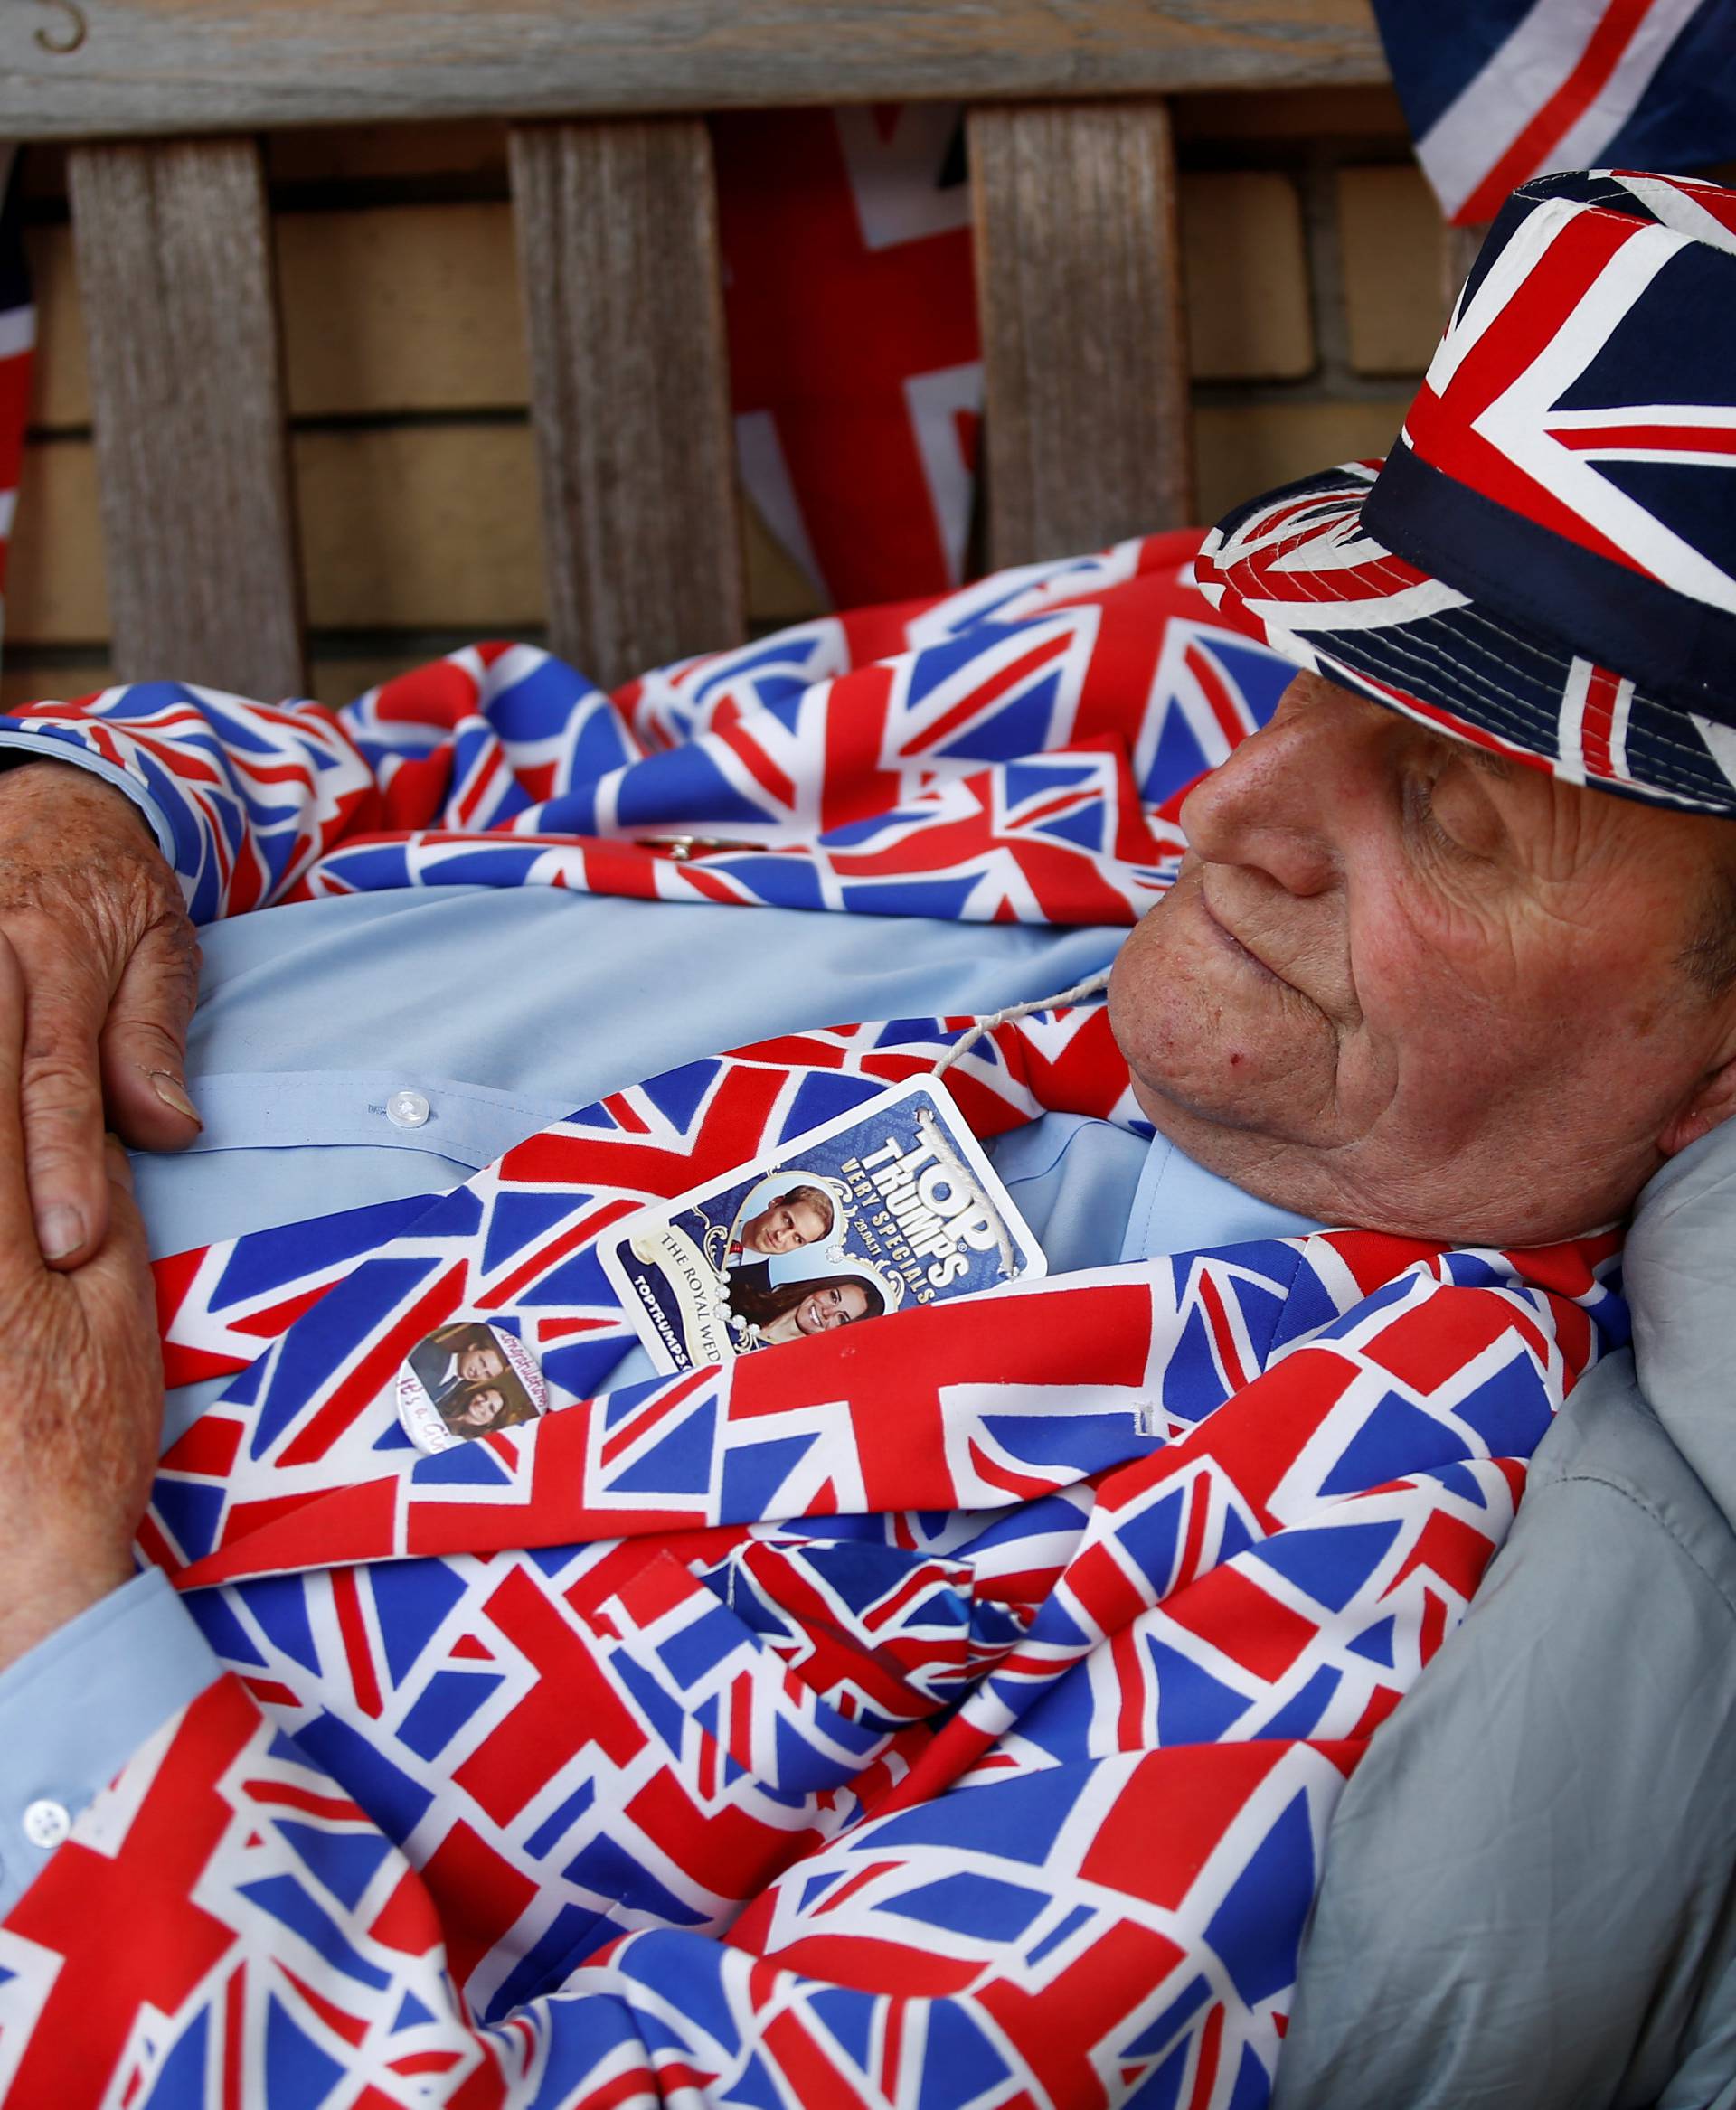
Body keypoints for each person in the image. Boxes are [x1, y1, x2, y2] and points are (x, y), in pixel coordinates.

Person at [0, 166, 1731, 2105]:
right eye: (1331, 663)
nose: (1241, 795)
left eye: (1456, 806)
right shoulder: (1134, 701)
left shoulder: (1333, 1548)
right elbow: (459, 749)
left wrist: (44, 1589)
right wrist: (73, 814)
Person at [727, 1267, 885, 1346]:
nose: (827, 1311)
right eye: (833, 1297)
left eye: (842, 1319)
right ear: (821, 1287)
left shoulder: (795, 1378)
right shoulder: (736, 1294)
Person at [731, 1182, 835, 1259]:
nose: (781, 1237)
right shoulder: (721, 1209)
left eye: (798, 1239)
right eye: (787, 1221)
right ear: (776, 1202)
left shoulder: (759, 1289)